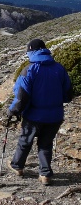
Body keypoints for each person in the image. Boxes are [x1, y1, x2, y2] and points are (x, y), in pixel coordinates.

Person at [7, 38, 73, 185]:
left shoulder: (29, 69)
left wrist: (13, 111)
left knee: (25, 141)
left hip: (33, 116)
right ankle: (45, 174)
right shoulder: (59, 68)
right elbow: (68, 94)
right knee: (46, 144)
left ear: (31, 51)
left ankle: (17, 166)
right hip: (55, 116)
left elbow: (21, 97)